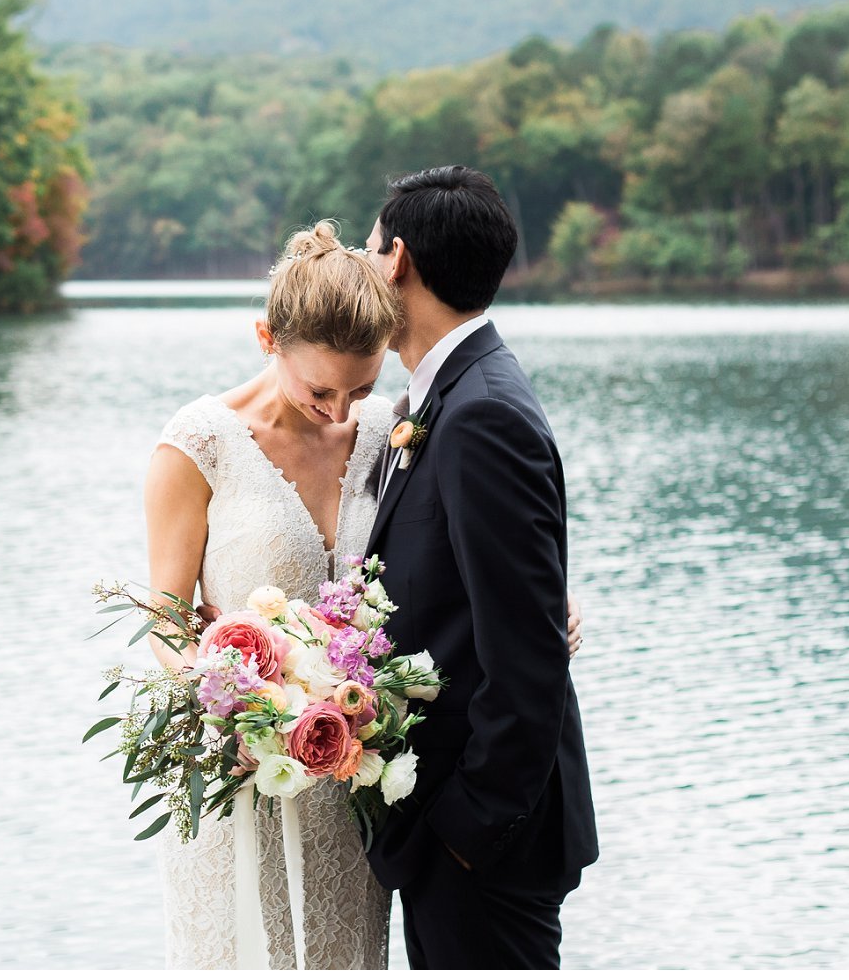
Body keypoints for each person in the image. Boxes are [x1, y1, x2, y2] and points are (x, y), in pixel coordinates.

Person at [143, 214, 584, 969]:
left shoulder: (393, 430)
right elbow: (164, 623)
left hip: (358, 785)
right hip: (253, 776)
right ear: (266, 340)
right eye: (321, 389)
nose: (341, 411)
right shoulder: (197, 446)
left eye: (362, 386)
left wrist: (545, 610)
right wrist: (241, 705)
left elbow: (457, 558)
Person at [361, 165, 599, 969]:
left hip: (488, 842)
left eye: (368, 250)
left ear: (397, 260)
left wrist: (467, 827)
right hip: (452, 830)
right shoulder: (448, 398)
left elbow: (527, 652)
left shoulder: (481, 412)